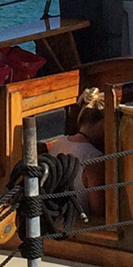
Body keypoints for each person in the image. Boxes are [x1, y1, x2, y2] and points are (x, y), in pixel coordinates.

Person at [46, 89, 108, 221]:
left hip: (55, 220)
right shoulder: (95, 159)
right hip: (80, 226)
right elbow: (99, 213)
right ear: (103, 124)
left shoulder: (58, 143)